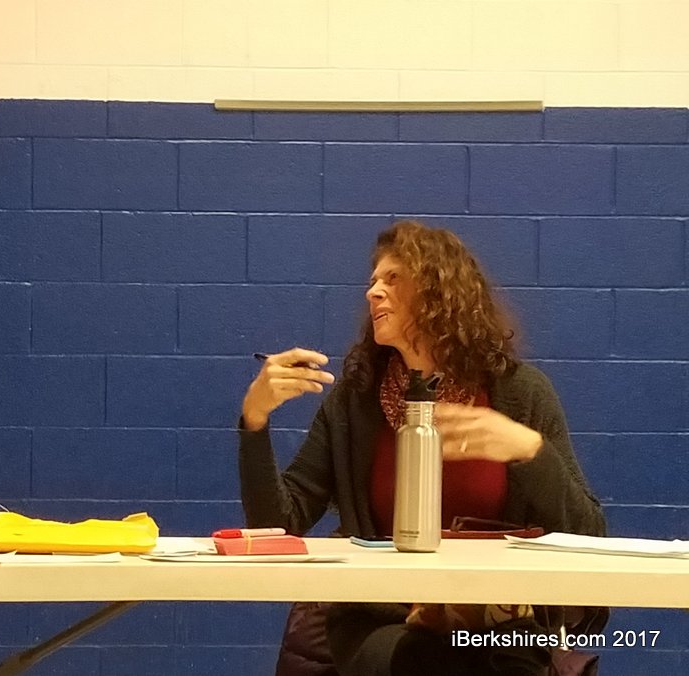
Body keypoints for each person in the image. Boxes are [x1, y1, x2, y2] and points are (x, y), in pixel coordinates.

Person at [237, 220, 606, 676]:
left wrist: (532, 451)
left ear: (439, 292)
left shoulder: (520, 393)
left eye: (393, 279)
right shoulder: (356, 400)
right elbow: (278, 525)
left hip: (498, 623)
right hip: (385, 620)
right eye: (373, 280)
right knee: (427, 661)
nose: (372, 291)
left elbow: (589, 535)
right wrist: (255, 419)